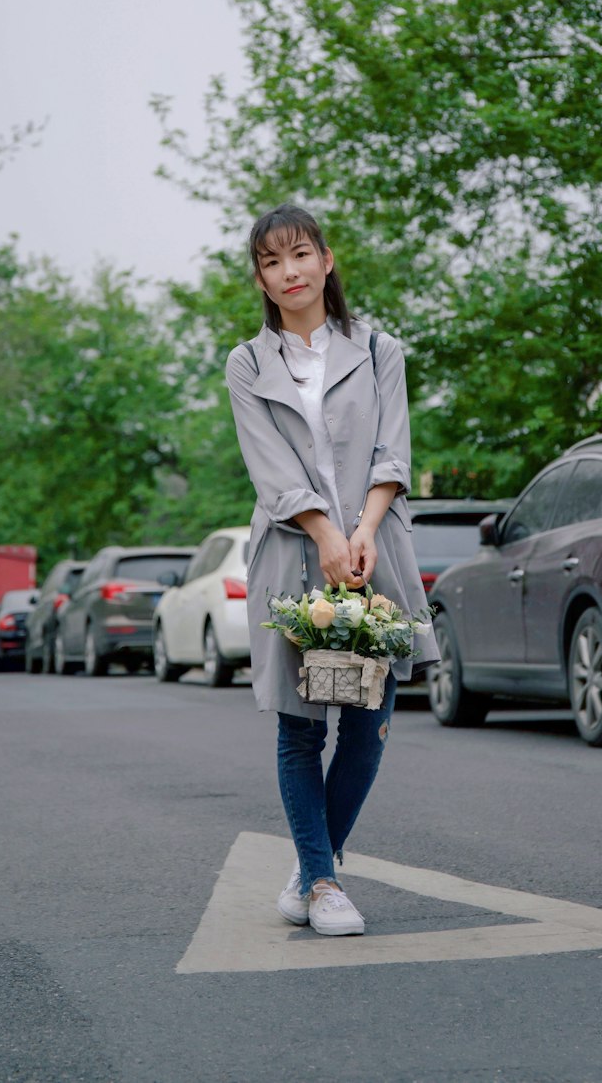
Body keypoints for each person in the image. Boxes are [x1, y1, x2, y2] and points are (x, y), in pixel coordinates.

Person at [225, 203, 437, 938]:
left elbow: (394, 452)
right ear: (260, 276)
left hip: (375, 552)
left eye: (300, 255)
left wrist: (364, 531)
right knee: (301, 727)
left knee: (370, 719)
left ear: (327, 259)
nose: (289, 272)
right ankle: (321, 882)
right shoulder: (249, 364)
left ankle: (314, 863)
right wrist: (324, 533)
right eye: (272, 262)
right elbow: (271, 470)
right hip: (294, 554)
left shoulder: (379, 350)